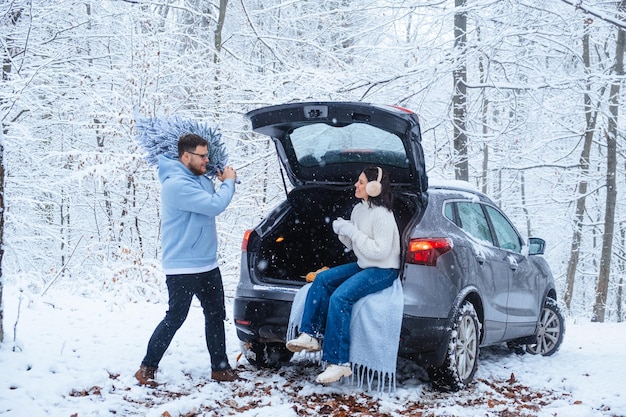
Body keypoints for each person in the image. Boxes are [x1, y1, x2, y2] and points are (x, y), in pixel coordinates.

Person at [134, 133, 240, 386]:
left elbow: (209, 199)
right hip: (182, 265)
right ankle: (147, 368)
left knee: (215, 314)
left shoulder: (198, 179)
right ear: (185, 156)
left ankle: (220, 368)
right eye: (202, 156)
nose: (207, 160)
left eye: (207, 155)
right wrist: (229, 183)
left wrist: (219, 179)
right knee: (176, 317)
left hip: (207, 263)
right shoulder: (176, 185)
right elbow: (214, 205)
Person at [286, 166, 400, 384]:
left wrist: (352, 232)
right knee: (322, 280)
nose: (356, 185)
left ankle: (339, 363)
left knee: (341, 297)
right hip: (364, 263)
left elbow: (380, 252)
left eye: (361, 182)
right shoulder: (359, 210)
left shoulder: (383, 215)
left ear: (374, 187)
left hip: (384, 269)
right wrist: (343, 231)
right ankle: (311, 335)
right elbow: (355, 245)